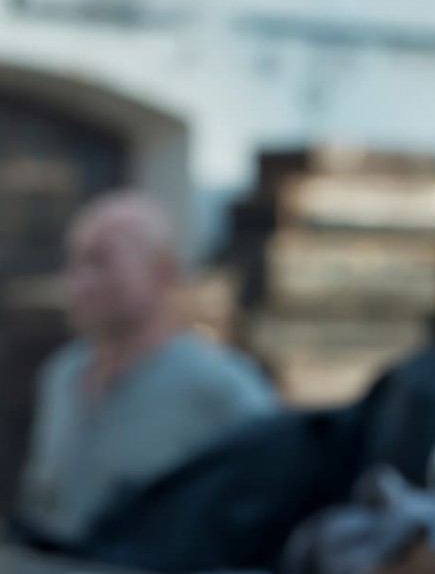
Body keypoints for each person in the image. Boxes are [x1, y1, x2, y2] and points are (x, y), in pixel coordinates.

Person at [19, 191, 275, 545]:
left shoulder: (221, 387)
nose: (80, 282)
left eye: (101, 262)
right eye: (74, 263)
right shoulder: (62, 375)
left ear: (163, 272)